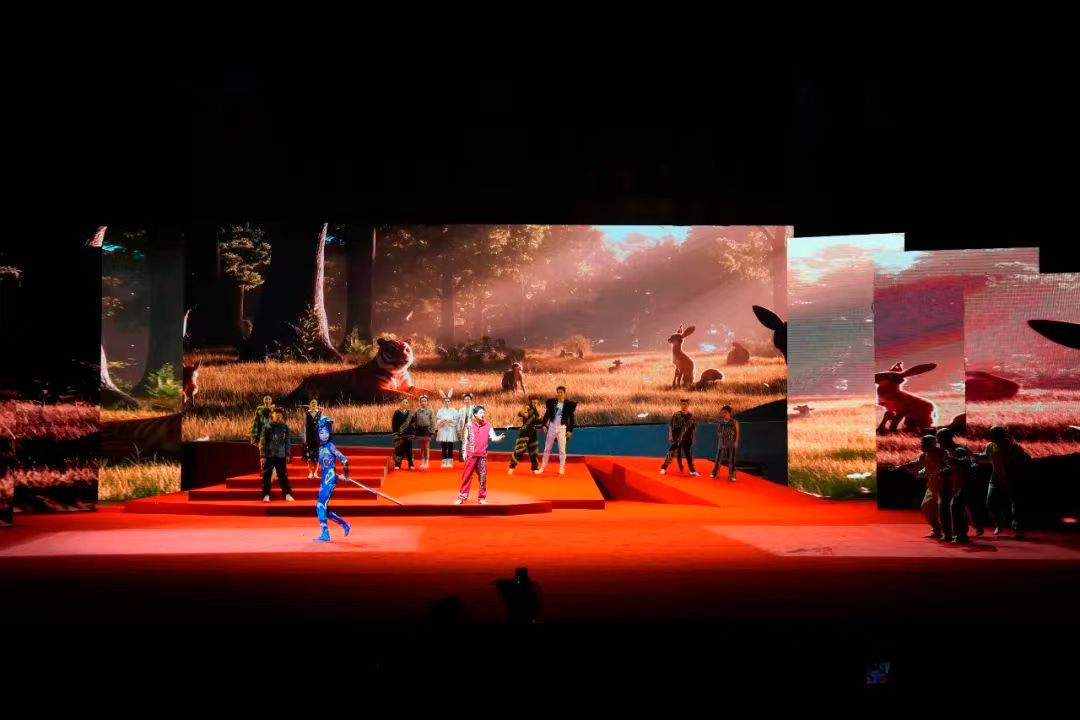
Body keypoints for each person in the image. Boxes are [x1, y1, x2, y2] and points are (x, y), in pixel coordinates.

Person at [895, 434, 950, 540]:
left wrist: (944, 472)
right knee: (926, 506)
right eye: (922, 443)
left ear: (933, 444)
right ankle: (937, 530)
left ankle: (948, 533)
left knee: (942, 510)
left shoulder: (942, 454)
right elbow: (917, 463)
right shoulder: (923, 456)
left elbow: (949, 466)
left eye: (925, 443)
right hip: (932, 486)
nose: (922, 445)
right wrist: (903, 466)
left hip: (943, 486)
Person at [974, 425, 1024, 538]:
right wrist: (973, 455)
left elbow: (1024, 458)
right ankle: (999, 523)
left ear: (1000, 435)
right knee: (990, 504)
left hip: (1011, 480)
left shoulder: (1013, 446)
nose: (991, 436)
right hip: (995, 480)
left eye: (993, 434)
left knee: (1015, 505)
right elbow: (986, 457)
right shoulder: (990, 446)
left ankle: (1017, 528)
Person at [456, 406, 506, 505]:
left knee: (482, 477)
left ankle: (482, 497)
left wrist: (498, 438)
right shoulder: (469, 425)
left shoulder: (488, 426)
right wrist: (464, 452)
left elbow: (493, 437)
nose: (482, 414)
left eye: (483, 412)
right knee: (466, 476)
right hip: (471, 455)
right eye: (480, 412)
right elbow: (465, 440)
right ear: (475, 414)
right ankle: (461, 497)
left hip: (482, 456)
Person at [313, 416, 351, 542]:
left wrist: (346, 475)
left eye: (325, 433)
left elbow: (345, 461)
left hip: (329, 480)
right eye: (321, 433)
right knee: (323, 507)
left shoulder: (330, 446)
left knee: (320, 505)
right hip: (324, 480)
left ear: (329, 433)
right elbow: (325, 465)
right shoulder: (320, 448)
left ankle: (325, 534)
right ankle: (344, 524)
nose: (323, 435)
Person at [258, 407, 295, 502]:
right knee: (267, 475)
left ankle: (287, 494)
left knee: (283, 476)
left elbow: (287, 441)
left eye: (280, 416)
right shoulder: (267, 427)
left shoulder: (285, 427)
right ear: (272, 415)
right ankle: (266, 495)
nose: (278, 417)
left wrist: (288, 454)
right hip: (269, 454)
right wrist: (262, 455)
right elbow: (262, 441)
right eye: (276, 415)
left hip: (281, 454)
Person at [539, 386, 576, 475]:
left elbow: (571, 419)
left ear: (564, 393)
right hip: (552, 427)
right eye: (558, 392)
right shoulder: (552, 403)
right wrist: (543, 425)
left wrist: (570, 430)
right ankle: (542, 467)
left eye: (561, 392)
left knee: (562, 450)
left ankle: (561, 468)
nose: (559, 394)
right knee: (547, 448)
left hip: (562, 428)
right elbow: (547, 415)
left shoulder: (569, 405)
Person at [661, 398, 698, 476]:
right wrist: (670, 436)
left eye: (685, 405)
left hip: (687, 439)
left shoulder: (692, 417)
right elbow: (671, 426)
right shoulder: (676, 415)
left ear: (688, 405)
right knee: (670, 453)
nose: (684, 406)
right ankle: (664, 468)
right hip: (677, 438)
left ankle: (692, 471)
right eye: (682, 404)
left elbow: (693, 429)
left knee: (689, 455)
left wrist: (693, 438)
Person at [509, 395, 544, 475]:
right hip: (525, 431)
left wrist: (543, 420)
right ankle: (511, 467)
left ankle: (534, 469)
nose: (535, 401)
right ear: (531, 400)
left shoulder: (535, 410)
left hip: (533, 432)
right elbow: (520, 413)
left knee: (534, 451)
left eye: (536, 399)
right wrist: (523, 413)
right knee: (520, 450)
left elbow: (535, 422)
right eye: (533, 399)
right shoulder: (527, 407)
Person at [710, 405, 741, 481]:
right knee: (718, 458)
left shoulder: (734, 422)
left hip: (731, 443)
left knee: (731, 459)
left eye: (725, 412)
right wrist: (721, 435)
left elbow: (737, 432)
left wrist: (736, 441)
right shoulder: (720, 422)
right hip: (721, 443)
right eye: (722, 413)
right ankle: (714, 473)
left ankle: (732, 475)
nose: (724, 414)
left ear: (729, 413)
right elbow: (718, 432)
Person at [435, 389, 459, 468]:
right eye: (445, 401)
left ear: (450, 402)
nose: (447, 402)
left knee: (450, 446)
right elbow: (438, 421)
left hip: (451, 430)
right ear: (443, 402)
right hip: (443, 430)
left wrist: (450, 421)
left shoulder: (454, 411)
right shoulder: (440, 411)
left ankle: (450, 462)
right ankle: (444, 462)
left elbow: (456, 420)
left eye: (448, 401)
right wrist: (443, 421)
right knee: (444, 447)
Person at [391, 397, 416, 470]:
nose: (405, 403)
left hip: (408, 435)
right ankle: (397, 464)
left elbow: (413, 424)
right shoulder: (396, 413)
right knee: (399, 450)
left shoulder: (410, 414)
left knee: (409, 450)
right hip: (399, 435)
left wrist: (412, 432)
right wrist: (395, 434)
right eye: (404, 402)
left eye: (406, 402)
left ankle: (410, 464)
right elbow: (394, 424)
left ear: (408, 404)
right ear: (401, 403)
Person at [302, 399, 322, 479]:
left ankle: (316, 473)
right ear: (310, 404)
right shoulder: (306, 413)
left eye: (315, 403)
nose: (314, 404)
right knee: (309, 456)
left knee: (318, 455)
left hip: (317, 436)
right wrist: (304, 436)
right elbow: (304, 425)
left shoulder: (320, 413)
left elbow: (322, 425)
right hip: (309, 436)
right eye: (312, 403)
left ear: (317, 404)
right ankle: (310, 472)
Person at [414, 395, 435, 469]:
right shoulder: (417, 411)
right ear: (420, 402)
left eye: (425, 401)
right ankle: (422, 461)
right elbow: (415, 422)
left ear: (427, 402)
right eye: (422, 401)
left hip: (427, 430)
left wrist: (432, 432)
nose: (423, 402)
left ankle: (427, 462)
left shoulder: (430, 411)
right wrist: (415, 431)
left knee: (426, 447)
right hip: (419, 431)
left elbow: (432, 422)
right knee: (421, 447)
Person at [457, 393, 476, 462]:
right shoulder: (461, 410)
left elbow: (476, 419)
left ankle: (471, 458)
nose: (467, 401)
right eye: (465, 399)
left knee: (471, 443)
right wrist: (458, 430)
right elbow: (459, 420)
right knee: (462, 443)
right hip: (463, 428)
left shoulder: (474, 409)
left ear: (471, 400)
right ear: (463, 401)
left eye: (468, 399)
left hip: (471, 428)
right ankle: (462, 458)